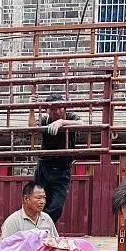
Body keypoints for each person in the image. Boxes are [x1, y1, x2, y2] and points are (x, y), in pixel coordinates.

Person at [34, 95, 84, 223]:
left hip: (62, 169)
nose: (57, 112)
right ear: (47, 110)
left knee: (56, 206)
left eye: (60, 108)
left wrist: (62, 122)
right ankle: (38, 229)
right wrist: (31, 109)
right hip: (44, 167)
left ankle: (42, 228)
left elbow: (82, 124)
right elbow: (32, 128)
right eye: (53, 109)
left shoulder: (70, 116)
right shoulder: (45, 120)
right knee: (37, 201)